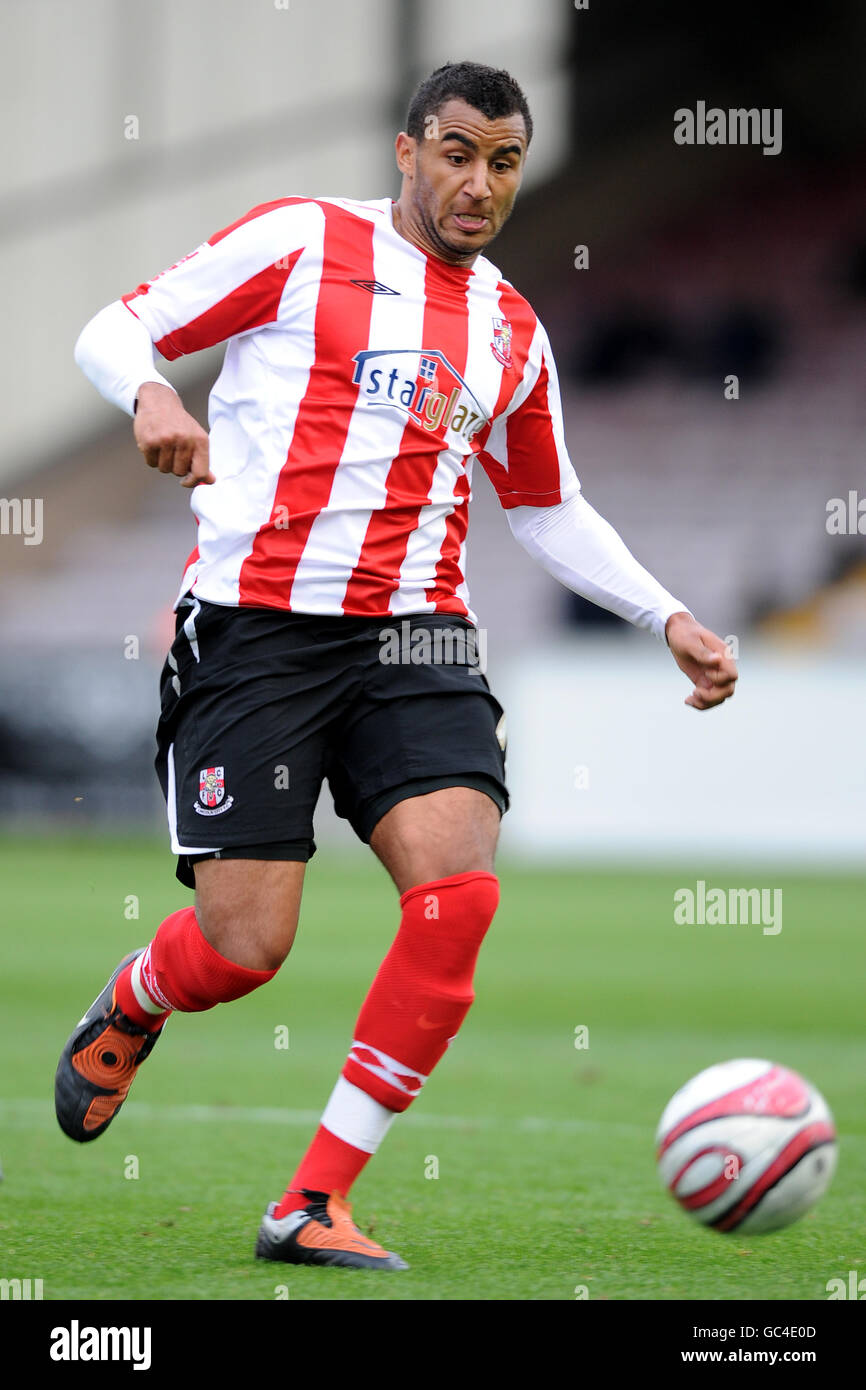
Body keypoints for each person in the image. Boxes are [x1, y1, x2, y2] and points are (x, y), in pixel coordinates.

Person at [58, 61, 738, 1272]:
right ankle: (141, 997)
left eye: (505, 161)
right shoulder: (300, 243)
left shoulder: (509, 330)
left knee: (457, 897)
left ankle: (311, 1199)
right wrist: (154, 394)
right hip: (256, 627)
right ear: (406, 151)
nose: (480, 183)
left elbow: (546, 506)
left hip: (415, 637)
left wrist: (666, 614)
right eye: (459, 152)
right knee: (244, 948)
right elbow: (113, 324)